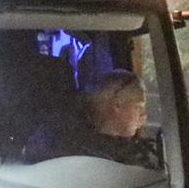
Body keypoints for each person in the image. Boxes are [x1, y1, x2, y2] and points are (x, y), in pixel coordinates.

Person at [24, 70, 158, 167]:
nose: (144, 115)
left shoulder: (126, 148)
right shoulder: (62, 143)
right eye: (139, 107)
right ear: (117, 105)